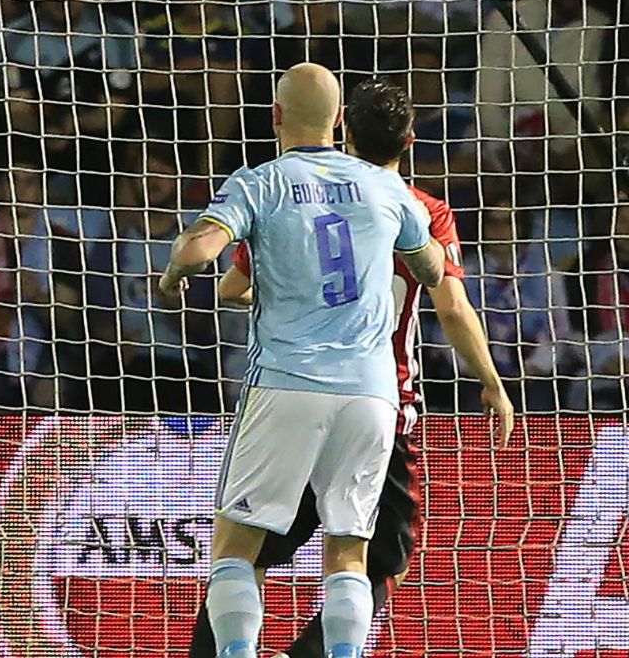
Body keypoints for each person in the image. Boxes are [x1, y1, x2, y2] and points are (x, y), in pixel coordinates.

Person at [186, 79, 515, 658]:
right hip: (382, 403)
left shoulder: (286, 195)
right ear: (410, 140)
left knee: (244, 550)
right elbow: (452, 303)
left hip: (290, 385)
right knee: (369, 560)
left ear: (344, 131)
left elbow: (233, 286)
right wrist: (491, 382)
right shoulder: (421, 209)